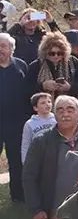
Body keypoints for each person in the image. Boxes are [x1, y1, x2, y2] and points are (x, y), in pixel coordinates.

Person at [0, 33, 29, 202]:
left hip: (16, 122)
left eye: (4, 46)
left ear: (11, 49)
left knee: (16, 160)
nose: (0, 50)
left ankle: (17, 197)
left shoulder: (21, 66)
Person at [31, 32, 78, 100]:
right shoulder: (36, 65)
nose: (56, 56)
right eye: (52, 53)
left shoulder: (73, 62)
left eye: (59, 53)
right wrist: (43, 86)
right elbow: (26, 89)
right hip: (42, 108)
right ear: (45, 52)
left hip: (69, 105)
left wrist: (70, 87)